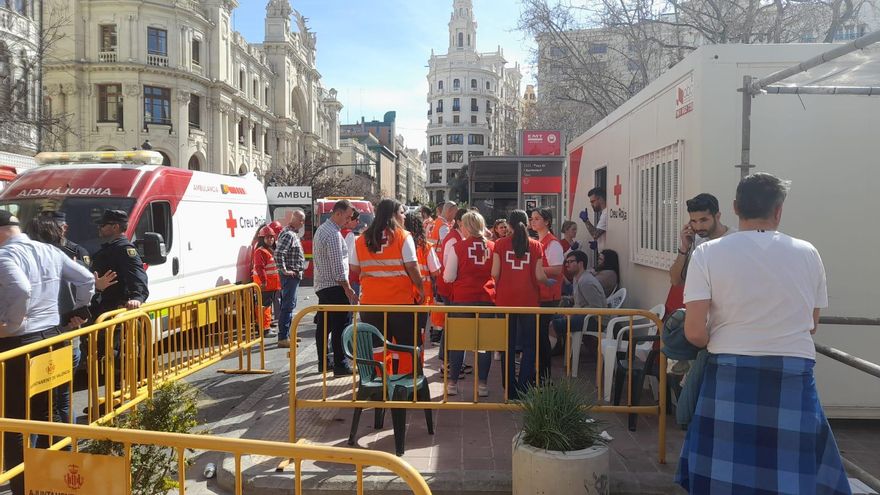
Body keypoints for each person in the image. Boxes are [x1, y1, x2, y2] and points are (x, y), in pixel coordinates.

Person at [676, 173, 850, 494]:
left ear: (734, 207)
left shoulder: (708, 253)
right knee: (792, 476)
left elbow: (695, 332)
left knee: (723, 476)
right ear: (779, 210)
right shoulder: (808, 252)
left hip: (730, 372)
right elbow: (811, 325)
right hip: (792, 375)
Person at [0, 210, 95, 495]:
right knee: (46, 413)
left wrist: (11, 325)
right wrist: (81, 309)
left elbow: (20, 288)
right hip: (53, 339)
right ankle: (48, 482)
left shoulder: (6, 255)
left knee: (14, 421)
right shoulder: (49, 251)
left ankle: (22, 487)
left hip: (20, 344)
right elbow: (87, 279)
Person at [25, 216, 116, 433]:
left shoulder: (40, 258)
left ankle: (57, 451)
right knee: (60, 400)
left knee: (43, 405)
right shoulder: (62, 256)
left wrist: (79, 310)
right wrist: (80, 310)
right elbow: (86, 282)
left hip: (49, 336)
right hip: (65, 334)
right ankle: (68, 447)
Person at [350, 199, 424, 355]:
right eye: (402, 213)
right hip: (399, 302)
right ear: (393, 215)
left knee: (377, 349)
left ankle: (378, 379)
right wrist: (421, 289)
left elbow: (354, 267)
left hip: (370, 303)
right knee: (407, 348)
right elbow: (412, 266)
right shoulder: (403, 236)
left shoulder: (362, 238)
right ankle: (408, 378)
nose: (404, 217)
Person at [492, 209, 549, 399]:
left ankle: (509, 388)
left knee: (507, 345)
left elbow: (495, 273)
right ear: (527, 223)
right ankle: (524, 387)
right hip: (529, 301)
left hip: (505, 301)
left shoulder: (500, 244)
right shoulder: (536, 245)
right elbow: (540, 276)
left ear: (508, 225)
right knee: (529, 345)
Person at [443, 211, 495, 397]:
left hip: (463, 299)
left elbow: (448, 276)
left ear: (467, 227)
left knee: (458, 343)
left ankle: (452, 384)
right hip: (487, 299)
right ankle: (482, 385)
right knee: (484, 344)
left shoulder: (458, 247)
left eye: (462, 225)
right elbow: (496, 274)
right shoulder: (493, 247)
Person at [312, 199, 358, 376]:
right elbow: (338, 267)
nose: (348, 221)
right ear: (337, 213)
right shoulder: (332, 234)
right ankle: (340, 363)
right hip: (334, 287)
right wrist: (347, 288)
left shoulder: (324, 230)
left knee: (324, 326)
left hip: (324, 286)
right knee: (340, 326)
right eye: (347, 217)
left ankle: (323, 362)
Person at [89, 209, 149, 318]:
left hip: (113, 310)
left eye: (102, 225)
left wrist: (137, 297)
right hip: (100, 307)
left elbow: (137, 274)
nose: (99, 228)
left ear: (115, 227)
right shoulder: (109, 248)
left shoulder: (124, 249)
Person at [669, 193, 733, 286]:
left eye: (704, 220)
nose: (698, 227)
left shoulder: (734, 239)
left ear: (717, 216)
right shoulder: (695, 240)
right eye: (694, 221)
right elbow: (675, 281)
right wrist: (684, 248)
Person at [530, 208, 564, 381]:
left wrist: (535, 270)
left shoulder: (553, 243)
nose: (533, 221)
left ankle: (545, 375)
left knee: (542, 335)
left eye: (537, 218)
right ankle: (540, 371)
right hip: (539, 294)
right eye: (532, 218)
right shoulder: (538, 241)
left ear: (547, 221)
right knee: (538, 334)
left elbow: (558, 270)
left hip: (549, 295)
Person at [549, 250, 606, 350]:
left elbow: (597, 308)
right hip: (581, 314)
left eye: (570, 262)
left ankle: (547, 355)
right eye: (566, 262)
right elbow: (580, 299)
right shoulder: (577, 278)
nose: (567, 265)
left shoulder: (586, 282)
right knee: (549, 317)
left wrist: (572, 314)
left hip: (594, 320)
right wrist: (567, 299)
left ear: (580, 264)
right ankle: (558, 349)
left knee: (553, 325)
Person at [404, 211, 440, 349]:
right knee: (419, 334)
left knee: (401, 335)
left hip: (402, 294)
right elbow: (436, 270)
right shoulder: (426, 247)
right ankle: (417, 365)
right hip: (422, 296)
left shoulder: (398, 243)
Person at [274, 209, 306, 348]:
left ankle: (288, 334)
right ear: (296, 220)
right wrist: (284, 270)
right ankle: (283, 337)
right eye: (301, 220)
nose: (302, 223)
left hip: (293, 275)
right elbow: (279, 253)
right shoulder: (288, 234)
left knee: (289, 305)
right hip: (290, 276)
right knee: (287, 306)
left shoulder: (292, 234)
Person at [252, 226, 281, 336]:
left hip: (270, 285)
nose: (271, 240)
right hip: (265, 285)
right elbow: (260, 267)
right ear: (262, 238)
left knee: (266, 307)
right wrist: (264, 282)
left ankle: (265, 327)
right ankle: (264, 329)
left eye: (272, 237)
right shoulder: (260, 251)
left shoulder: (269, 250)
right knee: (264, 307)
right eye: (268, 238)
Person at [579, 187, 608, 263]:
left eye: (592, 201)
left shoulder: (606, 214)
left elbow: (595, 234)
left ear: (600, 199)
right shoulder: (604, 213)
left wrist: (586, 220)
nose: (591, 205)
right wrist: (598, 243)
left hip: (606, 257)